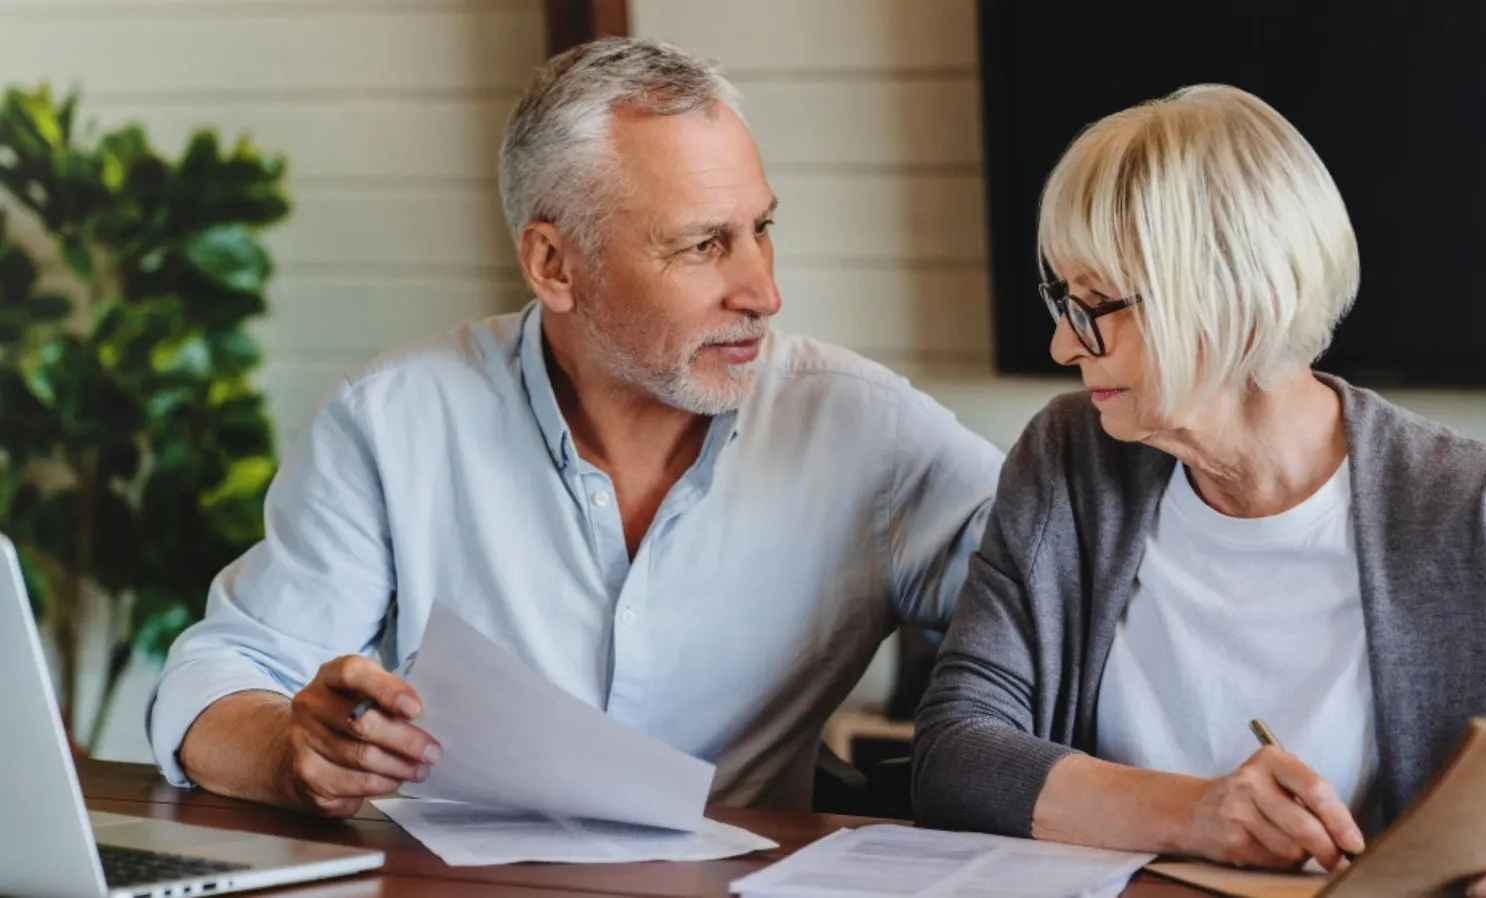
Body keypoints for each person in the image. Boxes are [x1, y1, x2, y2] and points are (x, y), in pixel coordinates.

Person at [148, 36, 1002, 819]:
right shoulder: (389, 423)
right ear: (553, 265)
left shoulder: (862, 431)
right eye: (703, 246)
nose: (761, 292)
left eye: (760, 230)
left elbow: (1076, 583)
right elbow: (214, 681)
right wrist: (293, 751)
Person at [910, 84, 1486, 896]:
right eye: (1064, 301)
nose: (1065, 342)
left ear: (1226, 302)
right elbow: (954, 754)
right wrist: (1198, 813)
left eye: (1095, 305)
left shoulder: (1472, 509)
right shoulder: (1068, 460)